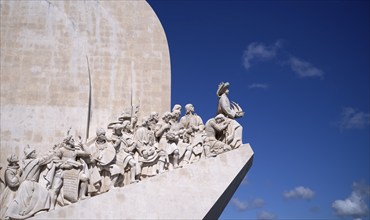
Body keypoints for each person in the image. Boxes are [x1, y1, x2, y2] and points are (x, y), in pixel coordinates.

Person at [6, 146, 55, 219]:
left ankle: (10, 214)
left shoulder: (25, 163)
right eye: (34, 152)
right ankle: (30, 212)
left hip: (24, 184)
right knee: (45, 194)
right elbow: (47, 158)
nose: (36, 153)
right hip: (31, 184)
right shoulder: (36, 161)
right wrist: (54, 152)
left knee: (20, 201)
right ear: (30, 154)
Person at [216, 82, 244, 148]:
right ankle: (236, 144)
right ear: (224, 90)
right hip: (224, 118)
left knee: (237, 127)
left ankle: (234, 143)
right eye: (227, 89)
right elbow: (225, 109)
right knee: (238, 127)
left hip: (227, 117)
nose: (228, 90)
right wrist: (235, 115)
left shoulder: (225, 97)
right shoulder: (223, 97)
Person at [0, 154, 20, 219]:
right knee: (9, 208)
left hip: (19, 190)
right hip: (11, 192)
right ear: (12, 160)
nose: (16, 156)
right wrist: (18, 175)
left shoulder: (18, 168)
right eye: (14, 156)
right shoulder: (8, 171)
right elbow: (12, 183)